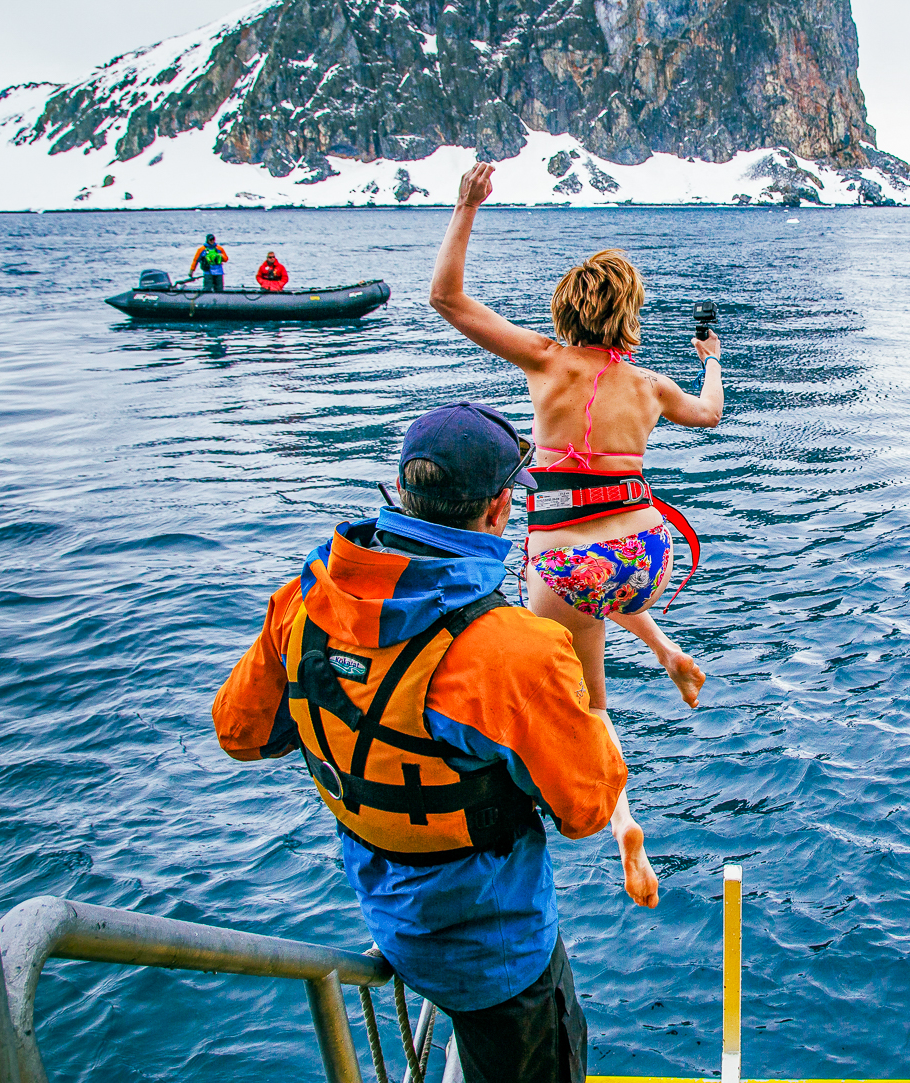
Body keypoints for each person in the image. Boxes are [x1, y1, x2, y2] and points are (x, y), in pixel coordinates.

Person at [211, 401, 627, 1083]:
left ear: (402, 493)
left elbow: (240, 733)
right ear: (499, 511)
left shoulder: (302, 604)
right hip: (497, 956)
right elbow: (588, 808)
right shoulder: (516, 651)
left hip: (389, 919)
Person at [429, 161, 724, 909]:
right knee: (603, 583)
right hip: (649, 552)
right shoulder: (653, 385)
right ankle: (667, 649)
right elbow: (711, 414)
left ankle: (627, 823)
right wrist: (712, 362)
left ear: (567, 309)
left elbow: (447, 298)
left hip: (568, 562)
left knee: (591, 701)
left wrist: (466, 207)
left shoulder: (544, 359)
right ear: (629, 314)